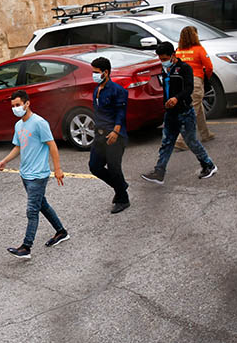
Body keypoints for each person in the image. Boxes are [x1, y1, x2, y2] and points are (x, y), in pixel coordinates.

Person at [0, 89, 69, 259]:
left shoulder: (39, 123)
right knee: (42, 204)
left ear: (27, 103)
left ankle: (26, 247)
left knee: (32, 210)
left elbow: (52, 145)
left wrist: (57, 169)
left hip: (38, 175)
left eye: (18, 105)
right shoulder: (19, 125)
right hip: (25, 174)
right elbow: (19, 147)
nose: (15, 108)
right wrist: (5, 161)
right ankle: (61, 232)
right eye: (13, 106)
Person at [141, 42, 218, 184]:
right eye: (160, 59)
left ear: (173, 55)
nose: (162, 62)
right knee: (167, 142)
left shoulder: (184, 69)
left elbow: (189, 88)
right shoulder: (165, 70)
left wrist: (177, 98)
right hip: (170, 113)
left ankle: (208, 165)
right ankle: (159, 171)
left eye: (165, 58)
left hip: (184, 112)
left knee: (191, 141)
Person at [88, 56, 130, 213]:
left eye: (96, 72)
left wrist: (116, 131)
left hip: (114, 136)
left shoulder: (118, 91)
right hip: (99, 136)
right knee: (94, 166)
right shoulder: (96, 90)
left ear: (106, 72)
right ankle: (121, 186)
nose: (94, 75)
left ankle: (122, 198)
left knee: (114, 168)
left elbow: (120, 112)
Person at [173, 25, 215, 150]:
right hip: (195, 82)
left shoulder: (178, 51)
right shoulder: (199, 49)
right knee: (192, 111)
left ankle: (205, 133)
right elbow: (209, 67)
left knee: (197, 107)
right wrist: (205, 78)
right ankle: (181, 140)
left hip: (181, 84)